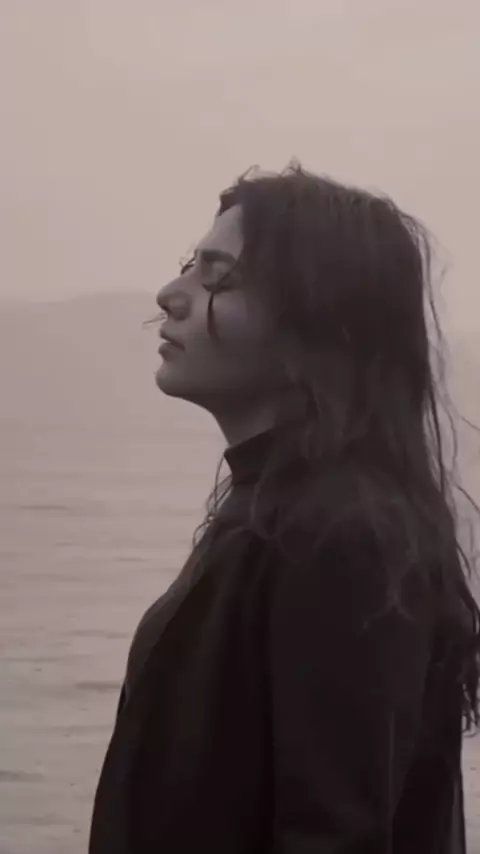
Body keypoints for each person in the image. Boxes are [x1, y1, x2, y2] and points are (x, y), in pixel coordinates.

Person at [89, 164, 479, 853]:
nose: (171, 296)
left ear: (319, 322)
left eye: (218, 277)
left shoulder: (345, 536)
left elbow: (336, 836)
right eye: (188, 268)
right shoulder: (279, 509)